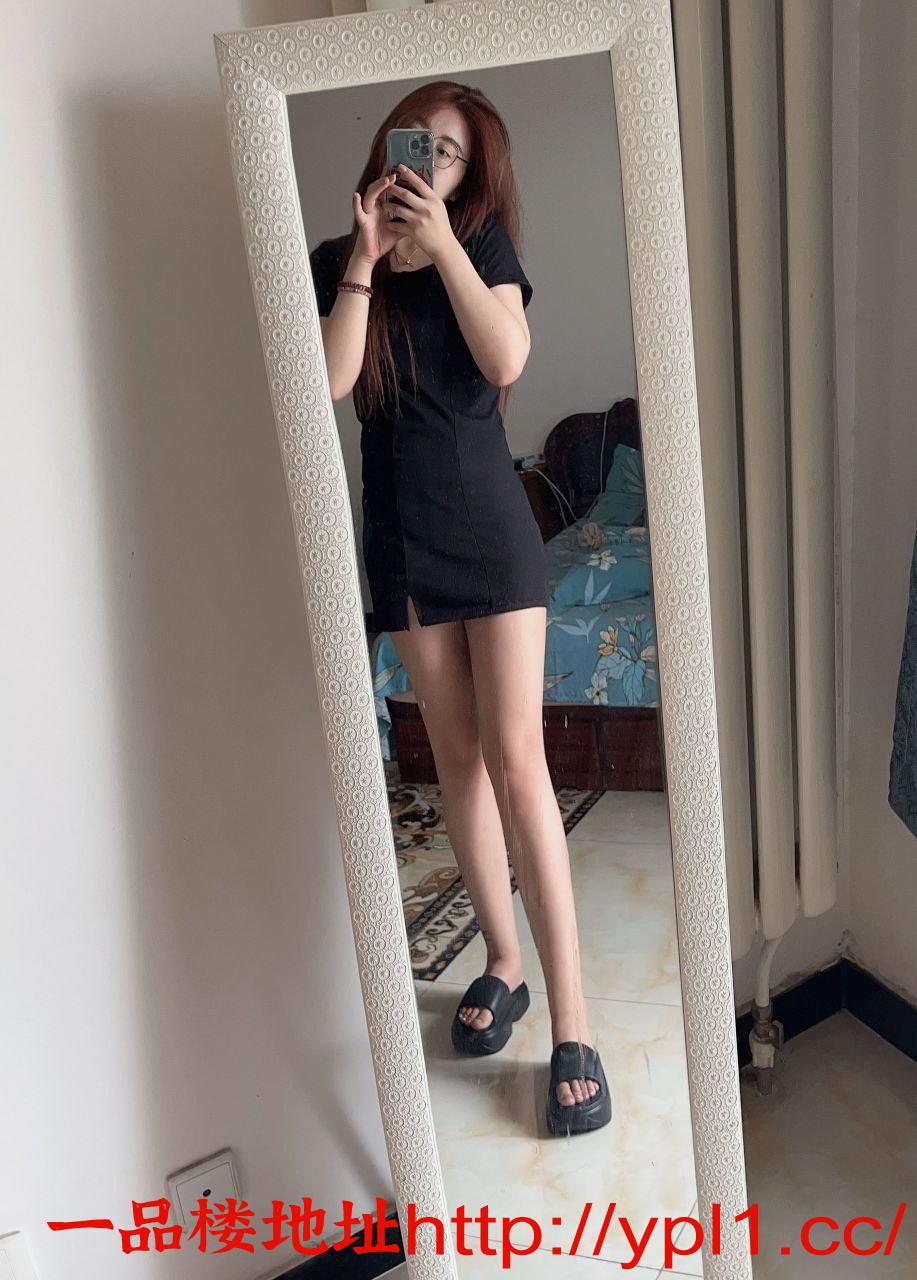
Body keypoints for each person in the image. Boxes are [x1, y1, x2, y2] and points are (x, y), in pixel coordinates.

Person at [310, 80, 610, 1137]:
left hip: (487, 526)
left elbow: (507, 358)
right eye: (419, 143)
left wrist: (440, 248)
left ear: (470, 175)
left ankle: (572, 1024)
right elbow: (330, 382)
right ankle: (504, 960)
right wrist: (363, 258)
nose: (428, 163)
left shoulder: (479, 247)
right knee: (457, 762)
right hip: (400, 538)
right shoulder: (336, 258)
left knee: (518, 758)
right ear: (386, 147)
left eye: (448, 153)